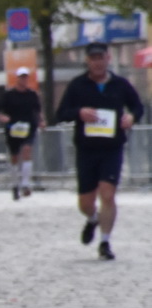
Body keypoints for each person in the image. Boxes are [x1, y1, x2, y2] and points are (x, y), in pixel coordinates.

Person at [56, 42, 143, 260]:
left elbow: (137, 106)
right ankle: (92, 218)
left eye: (101, 58)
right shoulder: (77, 85)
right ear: (87, 61)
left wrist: (132, 117)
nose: (97, 62)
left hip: (112, 148)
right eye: (93, 58)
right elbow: (61, 113)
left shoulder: (120, 84)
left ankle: (105, 242)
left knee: (108, 194)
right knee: (85, 202)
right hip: (86, 149)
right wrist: (79, 112)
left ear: (108, 59)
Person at [0, 67, 43, 200]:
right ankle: (15, 184)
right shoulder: (8, 95)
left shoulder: (32, 95)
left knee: (27, 150)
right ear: (17, 78)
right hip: (13, 128)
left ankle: (25, 183)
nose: (23, 80)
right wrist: (2, 117)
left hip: (28, 127)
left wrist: (41, 121)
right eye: (21, 77)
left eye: (25, 77)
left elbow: (38, 110)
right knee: (14, 157)